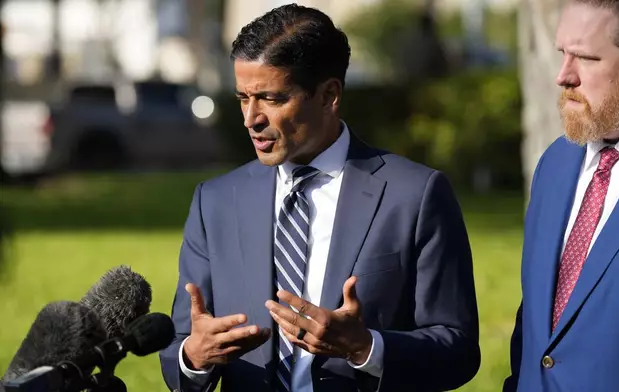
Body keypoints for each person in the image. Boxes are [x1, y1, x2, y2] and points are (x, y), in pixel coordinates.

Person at [159, 4, 480, 392]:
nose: (250, 118)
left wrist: (367, 347)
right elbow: (179, 356)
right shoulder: (215, 202)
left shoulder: (415, 195)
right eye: (243, 97)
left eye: (271, 99)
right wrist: (194, 358)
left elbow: (458, 350)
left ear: (329, 95)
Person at [504, 0, 619, 391]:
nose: (564, 76)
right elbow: (536, 321)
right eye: (562, 54)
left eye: (585, 58)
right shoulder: (556, 163)